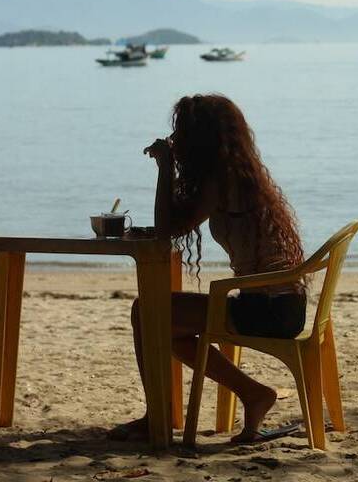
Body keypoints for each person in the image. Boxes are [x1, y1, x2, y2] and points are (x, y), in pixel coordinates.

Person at [108, 94, 307, 443]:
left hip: (268, 309)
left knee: (146, 311)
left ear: (199, 138)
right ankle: (252, 393)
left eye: (181, 132)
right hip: (285, 305)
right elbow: (174, 224)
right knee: (163, 321)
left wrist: (165, 168)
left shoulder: (221, 181)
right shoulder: (241, 175)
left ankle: (157, 414)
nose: (175, 139)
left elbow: (167, 228)